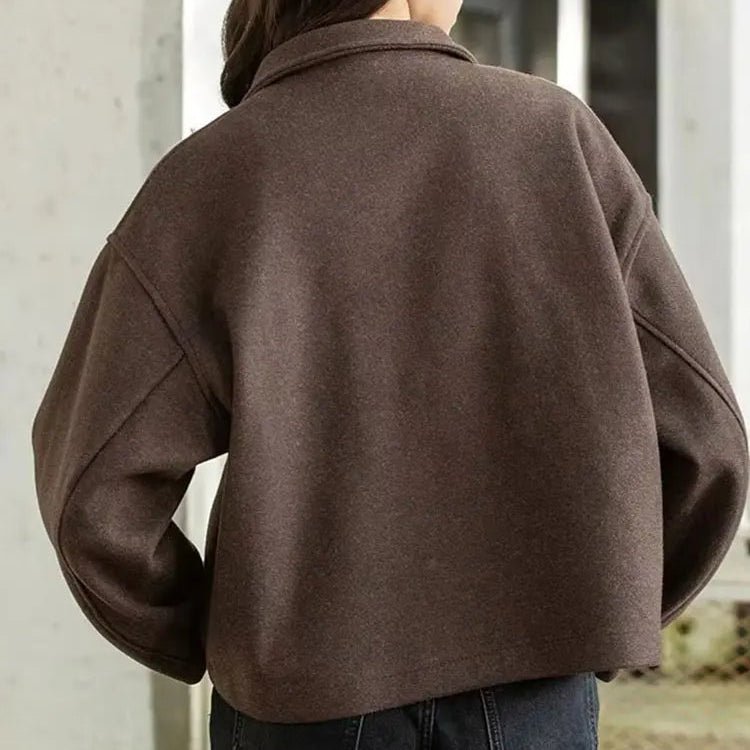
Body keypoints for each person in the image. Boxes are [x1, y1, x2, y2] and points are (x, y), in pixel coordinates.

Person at [30, 0, 749, 748]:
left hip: (301, 700)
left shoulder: (212, 176)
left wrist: (221, 634)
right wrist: (593, 606)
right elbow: (707, 442)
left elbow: (93, 490)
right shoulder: (556, 140)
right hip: (533, 691)